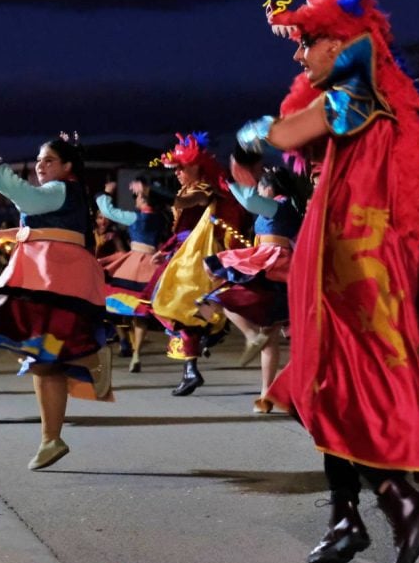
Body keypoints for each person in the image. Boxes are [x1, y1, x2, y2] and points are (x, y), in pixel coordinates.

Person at [236, 0, 419, 563]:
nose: (299, 55)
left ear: (339, 43)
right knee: (325, 388)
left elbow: (282, 134)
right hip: (347, 262)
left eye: (308, 42)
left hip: (352, 269)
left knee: (330, 387)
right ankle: (355, 515)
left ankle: (385, 507)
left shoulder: (353, 98)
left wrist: (252, 133)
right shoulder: (366, 96)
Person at [0, 137, 113, 470]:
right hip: (47, 274)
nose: (40, 165)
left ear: (68, 166)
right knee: (42, 359)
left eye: (48, 160)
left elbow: (28, 199)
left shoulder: (61, 188)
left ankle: (92, 357)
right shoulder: (62, 194)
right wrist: (11, 234)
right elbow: (46, 225)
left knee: (40, 351)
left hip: (58, 277)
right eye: (39, 159)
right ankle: (51, 439)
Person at [202, 161, 303, 414]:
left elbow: (249, 201)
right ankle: (266, 395)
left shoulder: (279, 205)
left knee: (222, 296)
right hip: (276, 266)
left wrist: (231, 182)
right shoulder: (284, 206)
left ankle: (251, 337)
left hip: (273, 263)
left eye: (260, 187)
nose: (258, 191)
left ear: (270, 188)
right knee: (268, 335)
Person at [149, 132, 245, 397]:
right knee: (177, 312)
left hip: (197, 258)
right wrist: (166, 250)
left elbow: (191, 203)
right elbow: (181, 229)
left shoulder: (204, 189)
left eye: (181, 168)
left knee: (177, 308)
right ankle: (191, 367)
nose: (177, 172)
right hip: (182, 256)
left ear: (196, 167)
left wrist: (159, 194)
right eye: (175, 169)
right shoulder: (186, 189)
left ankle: (202, 351)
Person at [96, 181, 170, 373]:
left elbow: (109, 211)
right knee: (141, 313)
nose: (135, 200)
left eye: (137, 197)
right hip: (154, 264)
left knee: (119, 301)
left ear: (144, 199)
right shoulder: (160, 217)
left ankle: (125, 343)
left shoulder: (136, 217)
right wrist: (147, 190)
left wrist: (106, 193)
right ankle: (136, 353)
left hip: (136, 263)